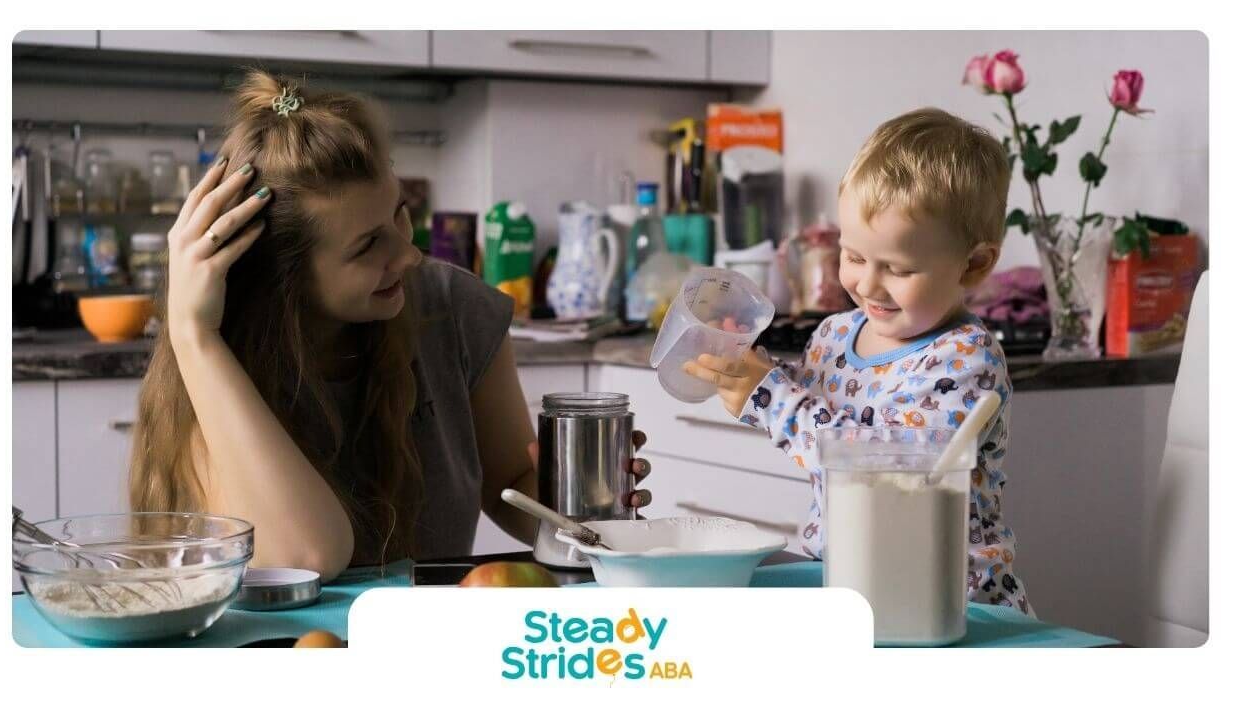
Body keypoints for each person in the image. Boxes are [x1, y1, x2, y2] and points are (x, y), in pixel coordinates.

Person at [128, 70, 650, 580]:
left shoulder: (452, 307)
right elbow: (306, 557)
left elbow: (511, 486)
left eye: (400, 215)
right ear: (281, 278)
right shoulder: (221, 353)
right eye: (368, 245)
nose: (409, 254)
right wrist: (194, 339)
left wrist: (580, 498)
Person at [683, 108, 1031, 614]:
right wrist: (752, 370)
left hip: (952, 604)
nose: (867, 285)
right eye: (855, 256)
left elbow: (881, 470)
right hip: (852, 586)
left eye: (897, 268)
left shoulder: (964, 360)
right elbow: (819, 414)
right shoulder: (835, 333)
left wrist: (772, 398)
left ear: (974, 265)